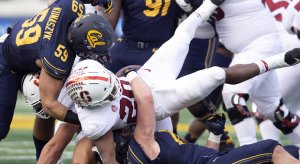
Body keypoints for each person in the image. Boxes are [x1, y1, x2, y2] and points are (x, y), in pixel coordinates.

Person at [66, 0, 300, 162]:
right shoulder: (131, 138)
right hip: (155, 100)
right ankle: (280, 61)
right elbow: (145, 100)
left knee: (184, 34)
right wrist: (129, 75)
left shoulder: (91, 114)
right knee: (217, 75)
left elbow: (106, 157)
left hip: (146, 78)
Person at [126, 63, 300, 164]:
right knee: (269, 148)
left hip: (216, 159)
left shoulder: (154, 138)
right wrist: (131, 74)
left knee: (292, 151)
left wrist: (215, 134)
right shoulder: (142, 140)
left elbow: (204, 157)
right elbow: (146, 98)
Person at [0, 0, 112, 142]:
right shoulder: (57, 56)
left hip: (24, 48)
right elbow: (50, 105)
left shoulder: (71, 6)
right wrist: (83, 120)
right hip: (6, 60)